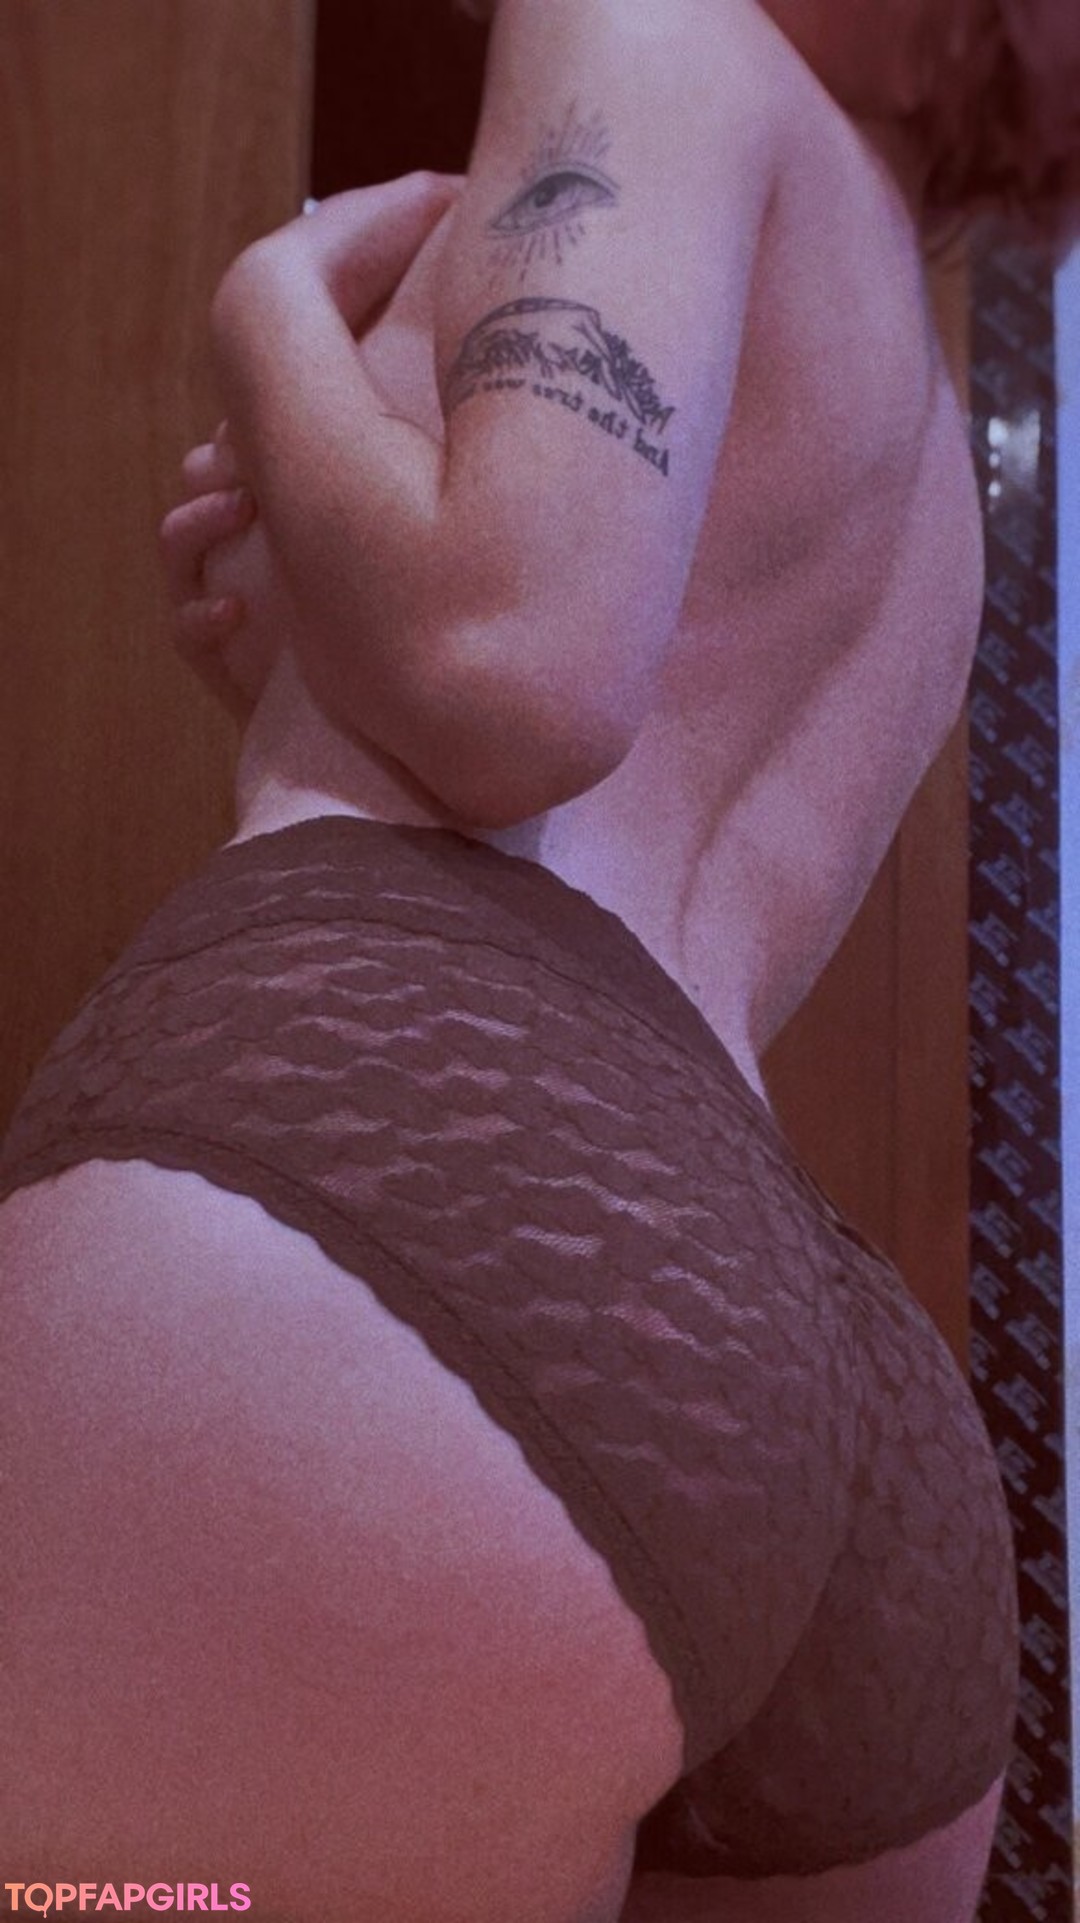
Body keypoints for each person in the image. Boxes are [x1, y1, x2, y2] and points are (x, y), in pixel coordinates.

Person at [2, 1, 1077, 1918]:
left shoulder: (656, 32)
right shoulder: (920, 432)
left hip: (412, 1208)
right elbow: (618, 797)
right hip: (831, 1421)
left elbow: (511, 674)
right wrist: (311, 628)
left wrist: (266, 313)